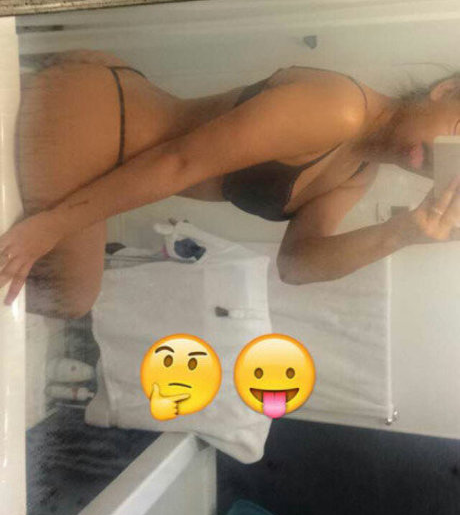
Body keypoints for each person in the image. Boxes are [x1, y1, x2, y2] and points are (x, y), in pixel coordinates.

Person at [0, 48, 459, 316]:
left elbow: (296, 265)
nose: (444, 152)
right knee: (72, 296)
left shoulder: (360, 171)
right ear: (446, 91)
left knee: (70, 292)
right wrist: (52, 225)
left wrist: (402, 233)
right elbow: (181, 161)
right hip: (100, 117)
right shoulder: (341, 109)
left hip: (108, 131)